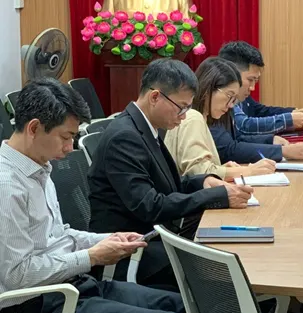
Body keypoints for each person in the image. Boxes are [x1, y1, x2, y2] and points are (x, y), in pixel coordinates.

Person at [0, 79, 198, 313]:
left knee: (183, 308)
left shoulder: (37, 167)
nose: (69, 148)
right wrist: (91, 256)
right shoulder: (7, 186)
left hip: (68, 288)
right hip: (31, 312)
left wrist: (106, 239)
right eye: (65, 137)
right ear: (34, 128)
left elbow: (58, 236)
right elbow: (16, 277)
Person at [88, 59, 253, 288]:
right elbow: (151, 206)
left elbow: (165, 185)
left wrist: (204, 182)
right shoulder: (124, 137)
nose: (184, 116)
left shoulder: (145, 127)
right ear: (155, 97)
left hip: (156, 238)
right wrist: (217, 197)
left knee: (230, 253)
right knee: (222, 269)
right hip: (133, 252)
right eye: (181, 107)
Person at [164, 57, 277, 179]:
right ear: (208, 89)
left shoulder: (198, 118)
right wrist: (248, 171)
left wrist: (221, 168)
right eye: (229, 95)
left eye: (234, 99)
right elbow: (200, 173)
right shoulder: (192, 117)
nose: (231, 105)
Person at [217, 41, 303, 144]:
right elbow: (244, 126)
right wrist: (287, 119)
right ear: (232, 73)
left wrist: (291, 112)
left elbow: (259, 110)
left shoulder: (241, 95)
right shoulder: (220, 99)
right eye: (250, 80)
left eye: (255, 80)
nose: (252, 88)